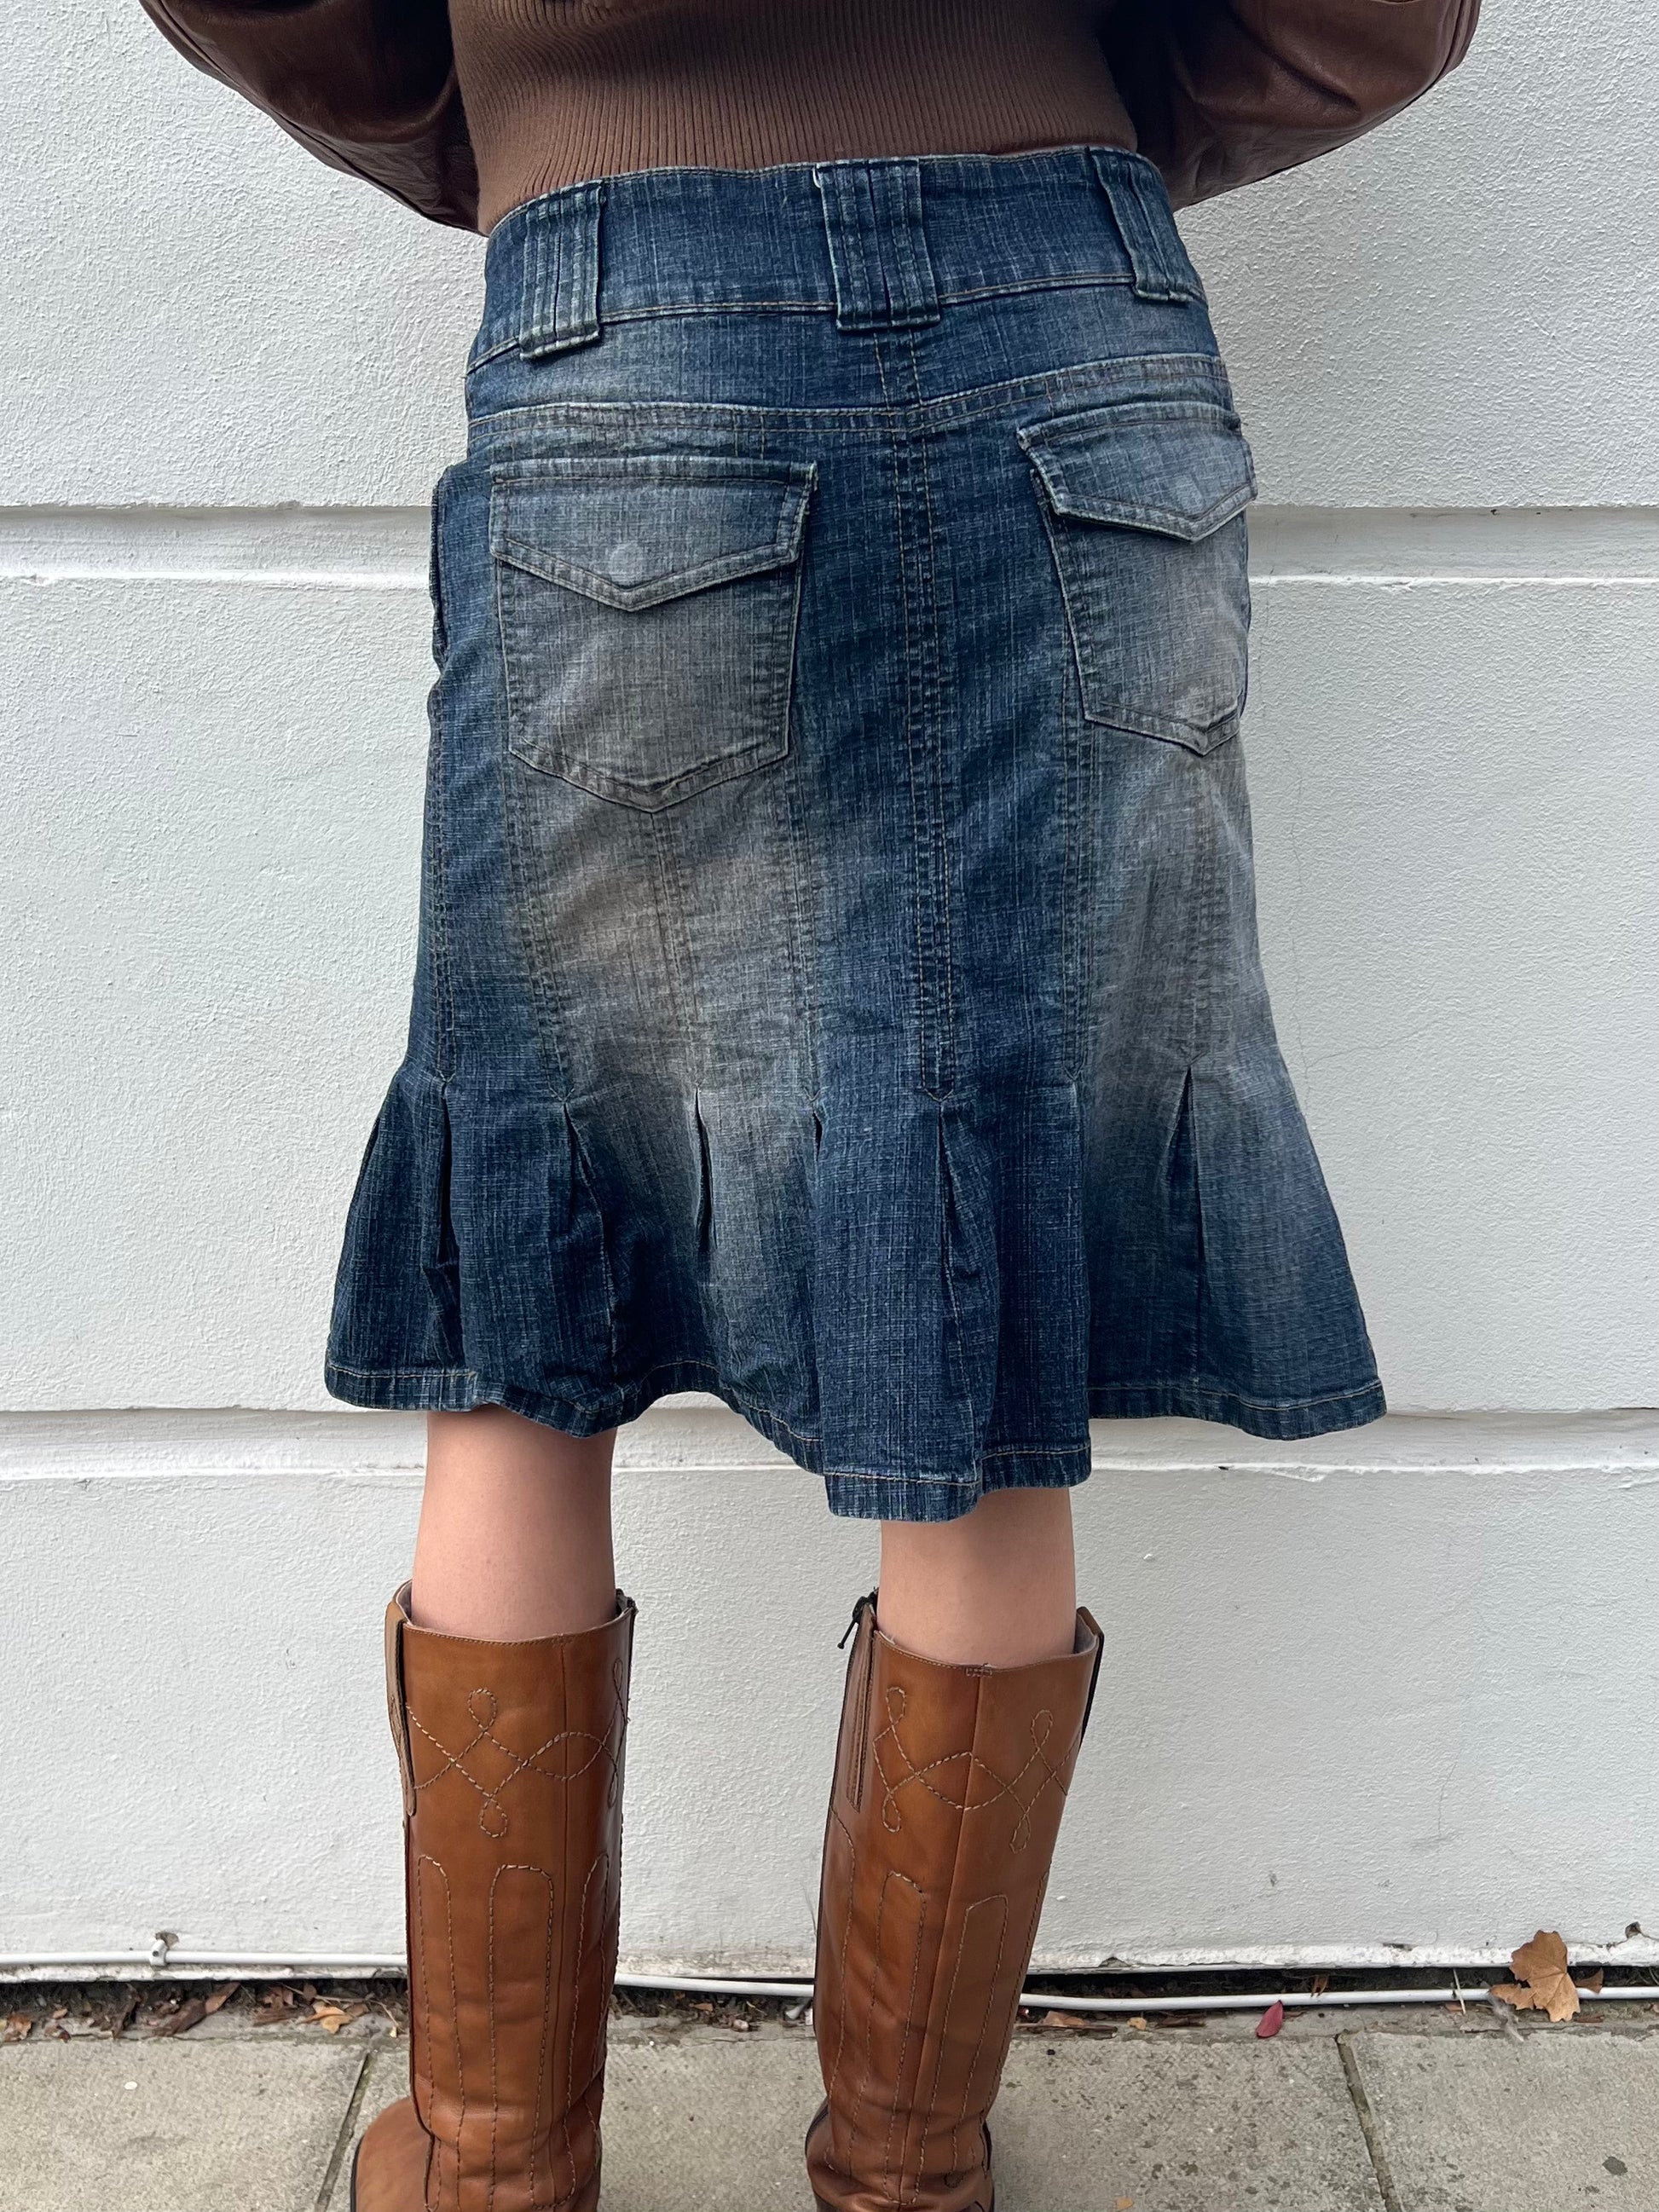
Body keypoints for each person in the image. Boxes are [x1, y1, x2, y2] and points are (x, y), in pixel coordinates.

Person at [138, 7, 1479, 2208]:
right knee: (991, 1245)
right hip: (1076, 314)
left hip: (628, 300)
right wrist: (1071, 112)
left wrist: (518, 102)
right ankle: (904, 2174)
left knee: (537, 1227)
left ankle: (488, 2166)